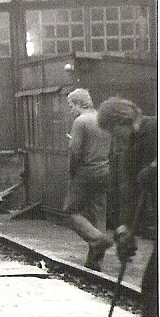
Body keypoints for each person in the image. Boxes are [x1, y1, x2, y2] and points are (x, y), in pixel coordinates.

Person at [98, 97, 157, 317]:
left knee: (154, 288)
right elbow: (127, 189)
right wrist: (123, 231)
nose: (114, 140)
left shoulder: (156, 129)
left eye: (113, 131)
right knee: (153, 288)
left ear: (122, 121)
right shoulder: (130, 149)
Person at [63, 88, 113, 270]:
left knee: (70, 211)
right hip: (104, 170)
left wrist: (72, 173)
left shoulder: (80, 121)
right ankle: (95, 263)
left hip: (85, 172)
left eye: (71, 106)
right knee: (98, 214)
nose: (70, 110)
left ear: (78, 103)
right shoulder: (103, 120)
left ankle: (99, 239)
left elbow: (75, 152)